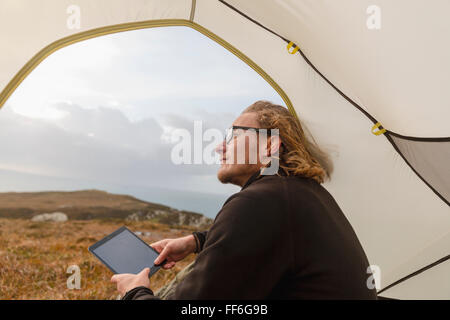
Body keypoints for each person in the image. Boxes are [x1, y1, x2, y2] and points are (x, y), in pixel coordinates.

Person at [111, 100, 377, 299]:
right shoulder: (302, 193)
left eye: (235, 135)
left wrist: (135, 292)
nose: (220, 146)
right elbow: (268, 239)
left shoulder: (259, 202)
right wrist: (197, 241)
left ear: (270, 146)